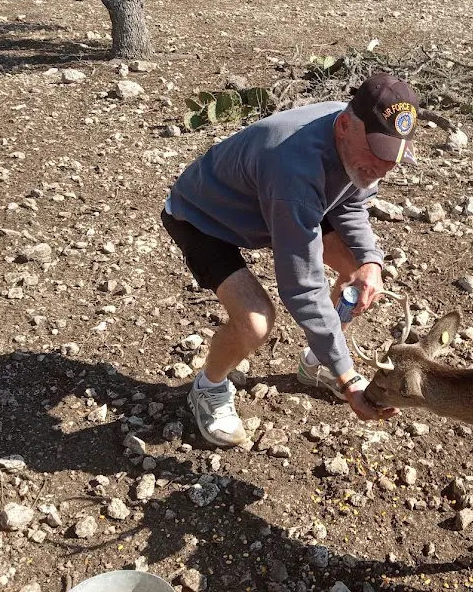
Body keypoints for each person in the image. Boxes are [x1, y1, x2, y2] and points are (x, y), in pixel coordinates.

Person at [161, 73, 417, 447]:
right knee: (255, 322)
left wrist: (370, 261)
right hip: (202, 217)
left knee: (354, 275)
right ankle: (207, 387)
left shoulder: (356, 144)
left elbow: (351, 200)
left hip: (265, 205)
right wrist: (349, 379)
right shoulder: (293, 172)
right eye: (375, 154)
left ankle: (317, 362)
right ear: (345, 125)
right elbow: (302, 286)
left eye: (390, 158)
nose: (380, 169)